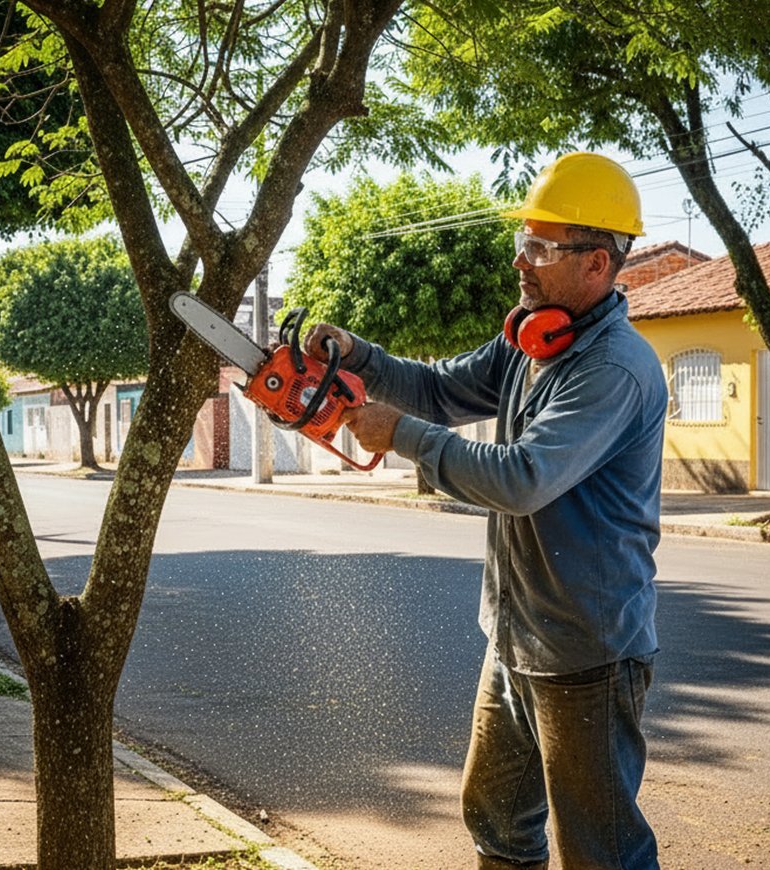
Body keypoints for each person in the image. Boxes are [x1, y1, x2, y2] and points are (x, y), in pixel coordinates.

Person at [305, 152, 666, 869]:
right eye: (522, 242)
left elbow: (523, 478)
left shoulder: (612, 369)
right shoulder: (532, 341)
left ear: (597, 264)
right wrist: (359, 355)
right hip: (515, 639)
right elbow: (439, 389)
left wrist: (399, 435)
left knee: (601, 853)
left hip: (586, 656)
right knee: (498, 822)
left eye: (541, 248)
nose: (521, 262)